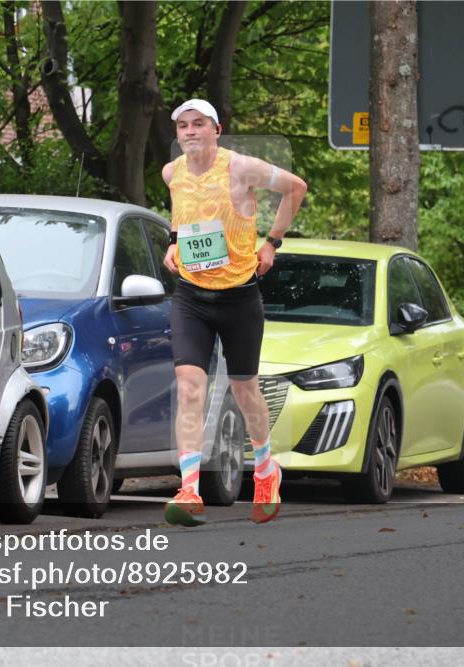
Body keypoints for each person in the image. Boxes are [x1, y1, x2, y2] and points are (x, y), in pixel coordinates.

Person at [161, 99, 307, 527]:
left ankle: (264, 469)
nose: (190, 131)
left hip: (239, 296)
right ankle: (189, 490)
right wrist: (173, 242)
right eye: (183, 126)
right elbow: (184, 213)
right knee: (190, 388)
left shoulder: (241, 168)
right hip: (191, 296)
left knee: (245, 389)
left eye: (198, 124)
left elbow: (296, 188)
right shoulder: (172, 173)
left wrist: (272, 243)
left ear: (216, 129)